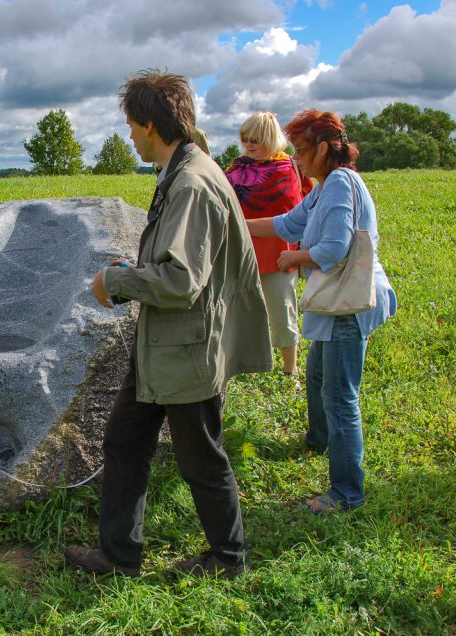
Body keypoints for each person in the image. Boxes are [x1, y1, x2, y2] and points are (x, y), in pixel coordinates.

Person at [65, 69, 272, 579]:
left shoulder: (193, 182)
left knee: (201, 459)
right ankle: (118, 555)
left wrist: (116, 281)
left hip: (187, 350)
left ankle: (229, 559)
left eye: (132, 125)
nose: (130, 135)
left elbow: (181, 281)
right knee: (124, 440)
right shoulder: (181, 170)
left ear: (151, 126)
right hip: (163, 346)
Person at [246, 110, 396, 513]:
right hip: (337, 303)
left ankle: (347, 493)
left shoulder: (340, 184)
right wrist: (237, 224)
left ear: (326, 147)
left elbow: (333, 249)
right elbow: (288, 222)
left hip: (349, 304)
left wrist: (294, 259)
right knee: (316, 378)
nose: (295, 158)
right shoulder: (326, 185)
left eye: (300, 150)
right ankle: (317, 441)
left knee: (340, 397)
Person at [227, 113, 312, 382]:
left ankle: (290, 371)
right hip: (240, 250)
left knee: (282, 310)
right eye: (245, 139)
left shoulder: (292, 168)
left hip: (279, 252)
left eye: (256, 139)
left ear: (272, 139)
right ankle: (242, 367)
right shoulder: (235, 168)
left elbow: (307, 207)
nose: (249, 145)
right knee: (239, 311)